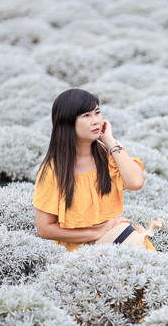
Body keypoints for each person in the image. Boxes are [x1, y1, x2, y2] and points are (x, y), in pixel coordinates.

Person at [33, 88, 156, 252]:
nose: (96, 121)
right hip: (78, 253)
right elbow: (45, 229)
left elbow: (136, 182)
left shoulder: (110, 155)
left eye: (97, 113)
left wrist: (110, 141)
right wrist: (97, 232)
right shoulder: (54, 169)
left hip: (117, 241)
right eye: (86, 115)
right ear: (67, 122)